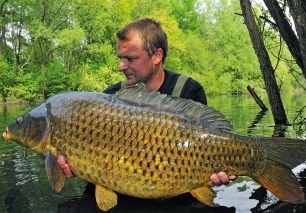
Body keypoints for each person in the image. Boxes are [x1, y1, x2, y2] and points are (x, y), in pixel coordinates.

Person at [58, 18, 236, 188]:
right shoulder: (111, 97)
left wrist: (213, 174)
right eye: (120, 58)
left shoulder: (188, 91)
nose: (121, 66)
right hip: (124, 190)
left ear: (157, 56)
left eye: (130, 59)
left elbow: (209, 141)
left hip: (177, 189)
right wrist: (78, 165)